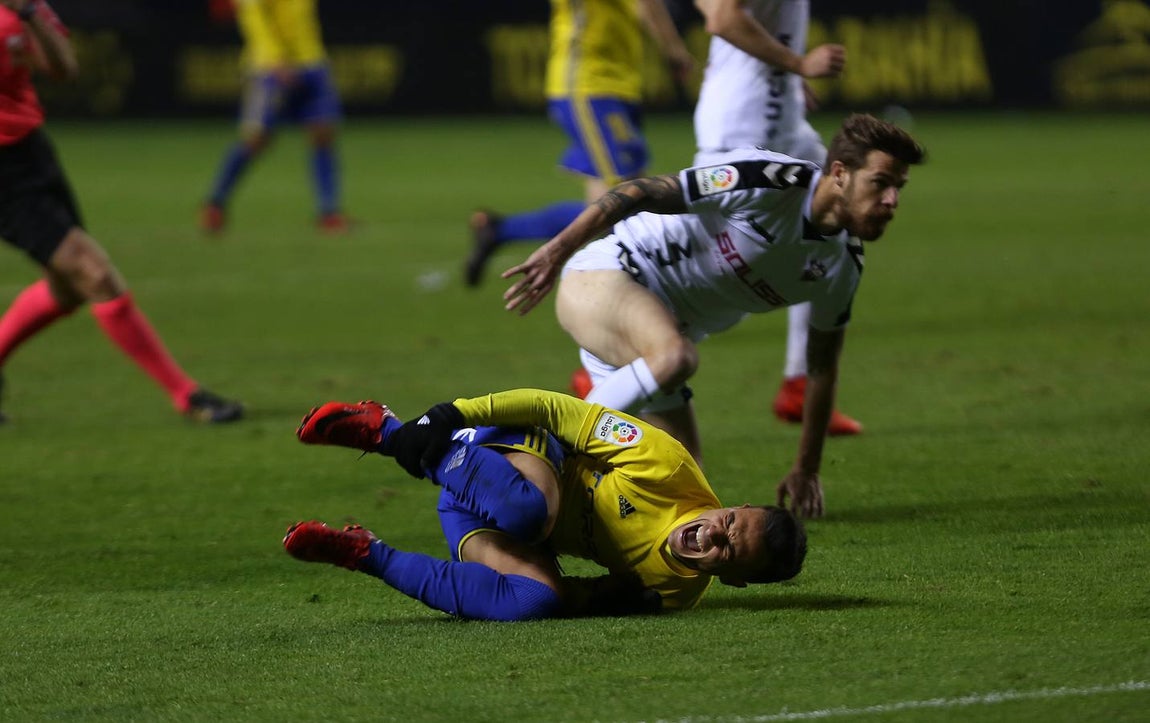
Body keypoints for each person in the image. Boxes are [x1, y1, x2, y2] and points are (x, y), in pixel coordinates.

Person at [498, 113, 925, 518]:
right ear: (839, 173)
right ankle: (541, 449)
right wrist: (558, 249)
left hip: (648, 348)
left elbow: (821, 369)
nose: (892, 201)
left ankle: (559, 525)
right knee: (677, 358)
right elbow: (640, 192)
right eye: (880, 183)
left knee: (689, 496)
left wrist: (807, 469)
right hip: (607, 276)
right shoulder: (766, 180)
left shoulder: (842, 265)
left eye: (899, 188)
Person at [284, 389, 807, 621]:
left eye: (728, 552)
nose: (712, 535)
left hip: (481, 516)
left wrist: (592, 599)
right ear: (731, 505)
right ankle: (387, 432)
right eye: (729, 522)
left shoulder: (671, 594)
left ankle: (360, 553)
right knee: (531, 511)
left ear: (731, 579)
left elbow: (573, 599)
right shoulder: (666, 468)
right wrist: (450, 413)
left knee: (533, 603)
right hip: (513, 449)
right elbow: (552, 408)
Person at [0, 0, 243, 424]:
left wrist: (30, 15)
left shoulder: (24, 9)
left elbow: (63, 70)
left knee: (68, 286)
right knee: (92, 272)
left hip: (31, 153)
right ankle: (185, 395)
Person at [693, 0, 858, 435]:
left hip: (777, 120)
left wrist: (783, 76)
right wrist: (797, 63)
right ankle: (610, 362)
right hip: (744, 127)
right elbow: (722, 17)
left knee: (832, 233)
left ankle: (800, 384)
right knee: (713, 269)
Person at [463, 0, 695, 287]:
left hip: (619, 83)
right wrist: (672, 49)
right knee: (628, 198)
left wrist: (671, 48)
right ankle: (625, 291)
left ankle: (500, 229)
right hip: (588, 84)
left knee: (614, 204)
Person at [199, 0, 349, 234]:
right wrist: (274, 59)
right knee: (256, 139)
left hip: (311, 60)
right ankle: (215, 203)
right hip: (269, 67)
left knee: (323, 132)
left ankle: (329, 212)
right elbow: (252, 14)